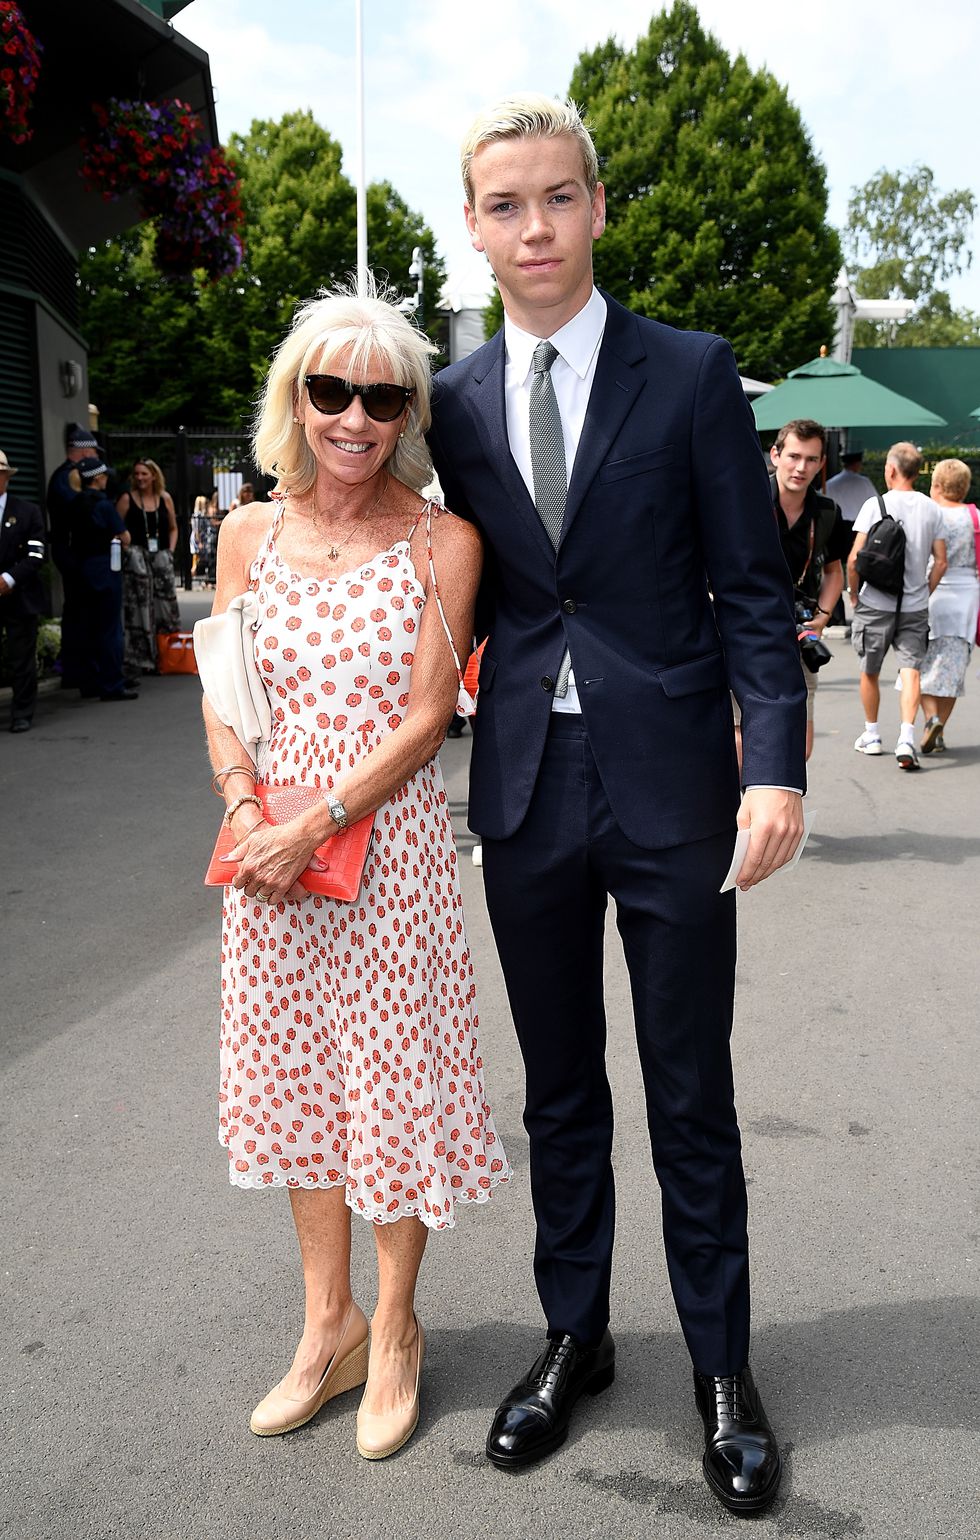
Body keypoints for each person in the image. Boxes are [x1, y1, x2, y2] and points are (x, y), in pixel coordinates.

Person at [428, 95, 805, 1516]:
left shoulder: (695, 373)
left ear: (598, 206)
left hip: (672, 786)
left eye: (558, 198)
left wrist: (773, 762)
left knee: (689, 1089)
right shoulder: (453, 402)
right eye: (505, 205)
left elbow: (756, 598)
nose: (535, 228)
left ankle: (722, 1366)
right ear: (475, 224)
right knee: (562, 1089)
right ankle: (573, 1336)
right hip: (526, 786)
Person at [202, 286, 508, 1460]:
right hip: (269, 859)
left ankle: (393, 1330)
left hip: (386, 857)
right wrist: (246, 810)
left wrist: (314, 820)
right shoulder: (246, 535)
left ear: (407, 416)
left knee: (386, 1092)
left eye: (381, 397)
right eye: (329, 390)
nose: (353, 417)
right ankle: (322, 1324)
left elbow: (430, 717)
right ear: (295, 398)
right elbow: (227, 695)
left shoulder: (443, 542)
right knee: (302, 1090)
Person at [848, 441, 947, 770]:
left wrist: (853, 594)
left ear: (890, 469)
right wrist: (924, 590)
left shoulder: (875, 504)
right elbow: (941, 560)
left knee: (870, 670)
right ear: (918, 472)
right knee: (912, 671)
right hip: (915, 605)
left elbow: (853, 559)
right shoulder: (932, 508)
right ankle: (907, 737)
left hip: (875, 601)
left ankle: (872, 735)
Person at [766, 419, 850, 759]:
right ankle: (743, 810)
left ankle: (788, 805)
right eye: (794, 456)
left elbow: (834, 571)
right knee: (742, 734)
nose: (801, 467)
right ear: (776, 455)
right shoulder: (744, 499)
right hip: (744, 627)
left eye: (811, 459)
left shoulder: (827, 512)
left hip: (799, 632)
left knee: (801, 741)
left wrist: (823, 616)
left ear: (821, 464)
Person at [917, 458, 979, 754]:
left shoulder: (931, 514)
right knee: (953, 670)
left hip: (932, 592)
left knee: (918, 666)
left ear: (937, 485)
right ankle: (939, 726)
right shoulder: (975, 517)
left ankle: (931, 719)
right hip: (967, 599)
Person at [69, 458, 136, 703]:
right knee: (110, 629)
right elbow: (125, 537)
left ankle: (89, 681)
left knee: (87, 625)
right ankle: (111, 684)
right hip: (105, 569)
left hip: (81, 569)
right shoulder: (104, 505)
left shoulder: (74, 502)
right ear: (98, 478)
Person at [46, 425, 102, 690]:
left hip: (71, 551)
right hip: (72, 553)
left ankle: (79, 671)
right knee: (81, 613)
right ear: (82, 450)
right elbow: (79, 511)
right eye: (91, 450)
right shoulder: (66, 476)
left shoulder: (65, 475)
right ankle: (80, 673)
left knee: (79, 612)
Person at [117, 458, 180, 672]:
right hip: (137, 562)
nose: (140, 478)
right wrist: (128, 551)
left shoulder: (165, 499)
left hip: (161, 560)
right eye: (137, 474)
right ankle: (140, 659)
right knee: (139, 608)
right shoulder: (127, 499)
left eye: (144, 473)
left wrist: (170, 552)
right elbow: (117, 528)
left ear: (154, 475)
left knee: (164, 606)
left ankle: (167, 655)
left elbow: (173, 527)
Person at [0, 448, 46, 732]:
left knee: (22, 657)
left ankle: (22, 713)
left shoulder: (27, 511)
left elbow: (37, 553)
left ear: (5, 476)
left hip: (19, 596)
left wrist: (9, 578)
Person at [825, 447, 876, 628]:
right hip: (859, 528)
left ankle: (836, 614)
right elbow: (874, 501)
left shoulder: (831, 482)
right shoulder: (864, 482)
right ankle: (862, 605)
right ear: (857, 464)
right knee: (860, 567)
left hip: (838, 526)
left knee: (834, 568)